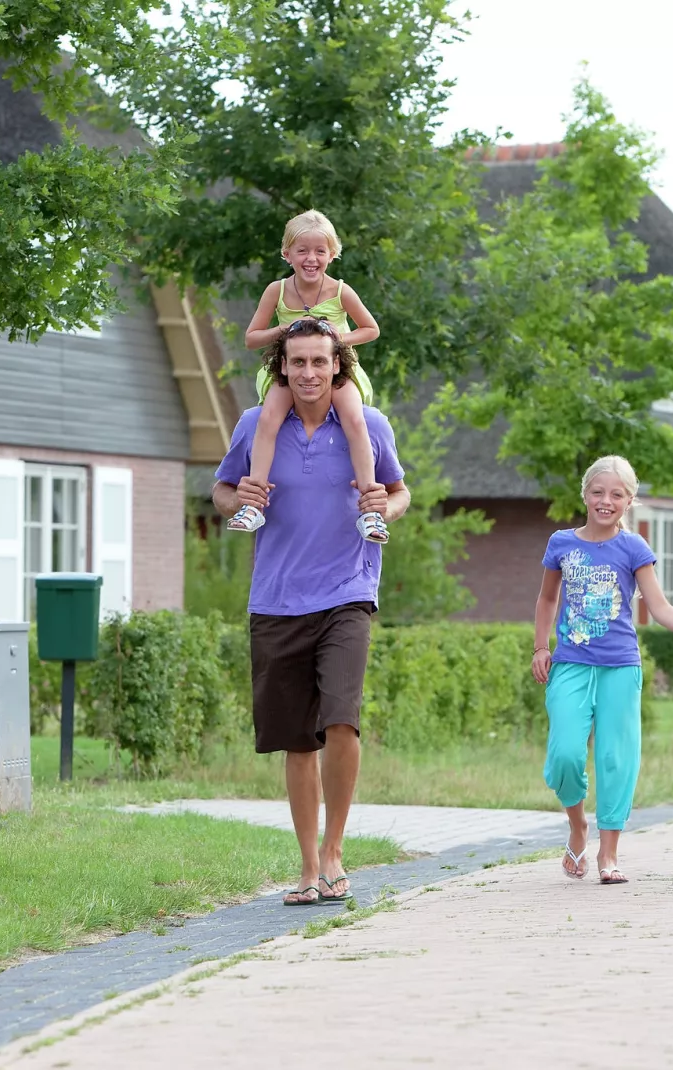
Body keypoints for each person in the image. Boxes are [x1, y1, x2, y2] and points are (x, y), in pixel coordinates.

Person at [212, 317, 409, 906]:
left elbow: (399, 492)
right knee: (299, 740)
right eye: (297, 362)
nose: (308, 373)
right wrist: (238, 497)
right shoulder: (256, 425)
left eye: (319, 362)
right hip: (276, 598)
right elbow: (221, 489)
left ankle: (335, 853)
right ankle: (305, 866)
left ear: (337, 365)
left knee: (341, 720)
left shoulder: (368, 426)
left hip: (348, 591)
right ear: (281, 368)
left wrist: (386, 507)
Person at [531, 455, 673, 885]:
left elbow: (660, 606)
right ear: (585, 495)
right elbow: (545, 601)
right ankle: (577, 827)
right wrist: (541, 646)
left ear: (629, 501)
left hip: (619, 667)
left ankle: (608, 853)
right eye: (598, 492)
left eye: (616, 494)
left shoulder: (634, 548)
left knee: (616, 759)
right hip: (571, 665)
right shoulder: (561, 543)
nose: (605, 501)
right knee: (565, 754)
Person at [231, 209, 387, 543]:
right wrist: (283, 329)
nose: (311, 258)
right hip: (290, 368)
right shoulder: (278, 290)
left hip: (336, 368)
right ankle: (254, 503)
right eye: (302, 251)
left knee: (355, 419)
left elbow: (370, 329)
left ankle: (370, 508)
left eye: (319, 251)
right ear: (287, 254)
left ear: (332, 254)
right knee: (268, 416)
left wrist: (335, 339)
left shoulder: (341, 291)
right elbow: (251, 338)